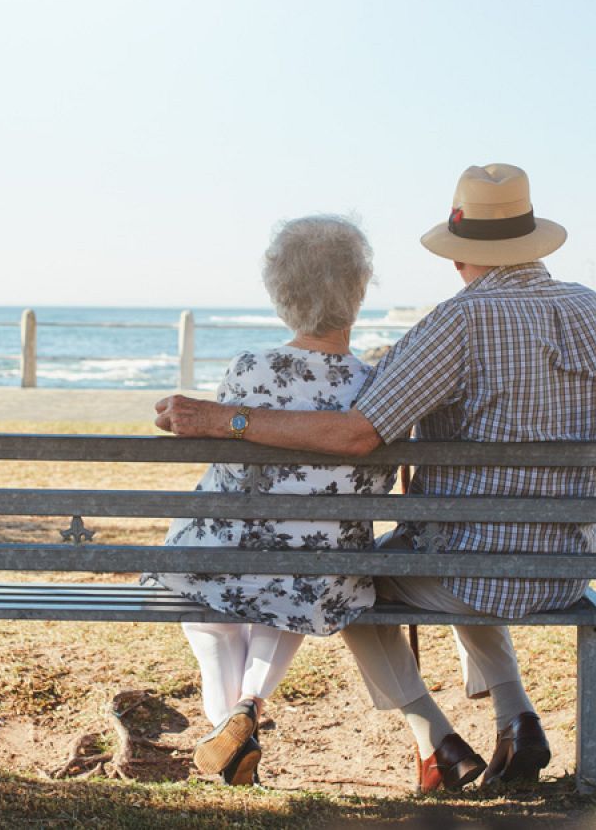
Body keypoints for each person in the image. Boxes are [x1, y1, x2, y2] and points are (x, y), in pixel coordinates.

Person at [154, 164, 596, 794]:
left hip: (475, 566)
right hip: (566, 564)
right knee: (462, 547)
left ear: (460, 258)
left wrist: (221, 417)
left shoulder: (459, 321)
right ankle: (517, 718)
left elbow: (356, 433)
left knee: (355, 582)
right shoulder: (592, 309)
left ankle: (437, 738)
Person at [144, 215, 395, 786]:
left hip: (227, 555)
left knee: (212, 615)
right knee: (290, 588)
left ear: (283, 295)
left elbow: (231, 468)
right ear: (356, 295)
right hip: (323, 569)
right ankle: (249, 705)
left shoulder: (251, 368)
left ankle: (228, 729)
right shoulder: (375, 384)